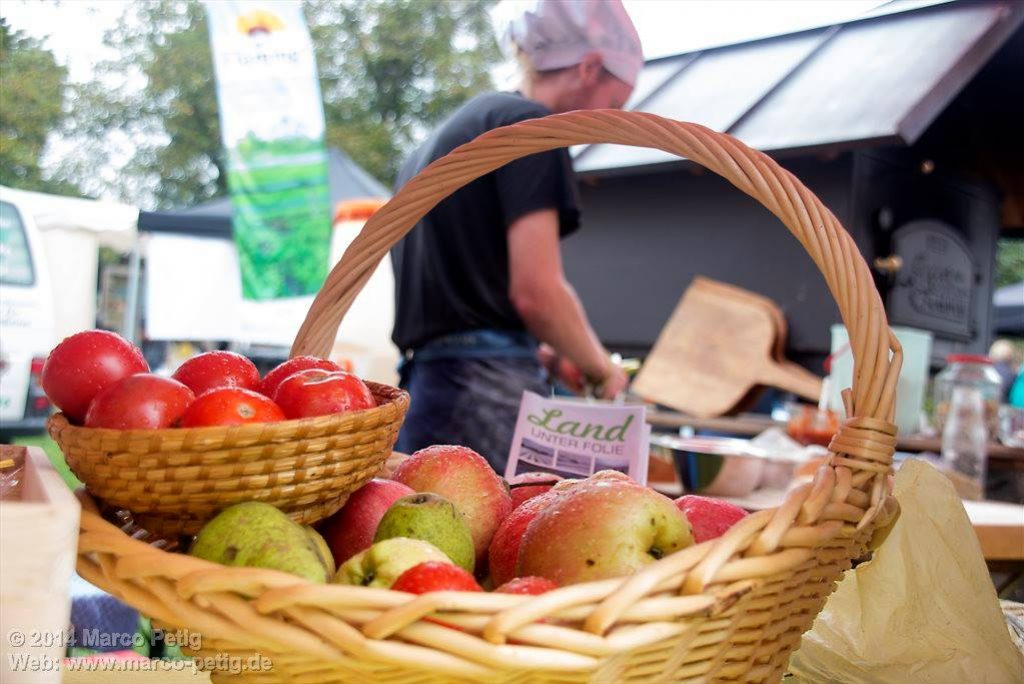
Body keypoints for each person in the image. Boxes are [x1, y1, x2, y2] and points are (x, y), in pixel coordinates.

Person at [390, 0, 643, 473]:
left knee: (425, 515)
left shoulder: (454, 133)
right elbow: (537, 294)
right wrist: (600, 367)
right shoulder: (532, 130)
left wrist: (552, 355)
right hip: (484, 391)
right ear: (589, 68)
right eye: (613, 105)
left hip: (428, 384)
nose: (605, 127)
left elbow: (464, 293)